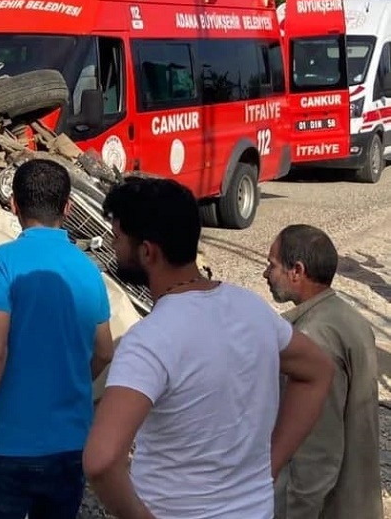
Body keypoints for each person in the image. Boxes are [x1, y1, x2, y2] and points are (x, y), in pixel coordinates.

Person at [82, 176, 335, 519]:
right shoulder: (251, 309)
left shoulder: (150, 340)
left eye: (117, 239)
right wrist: (270, 466)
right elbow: (318, 371)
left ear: (147, 251)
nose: (113, 248)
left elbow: (100, 459)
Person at [0, 158, 115, 519]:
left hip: (8, 444)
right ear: (68, 207)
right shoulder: (88, 270)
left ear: (13, 205)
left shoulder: (1, 262)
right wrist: (70, 381)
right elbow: (105, 350)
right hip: (70, 443)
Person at [264, 224, 383, 519]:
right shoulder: (347, 318)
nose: (266, 274)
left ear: (297, 271)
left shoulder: (314, 338)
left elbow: (314, 452)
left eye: (272, 265)